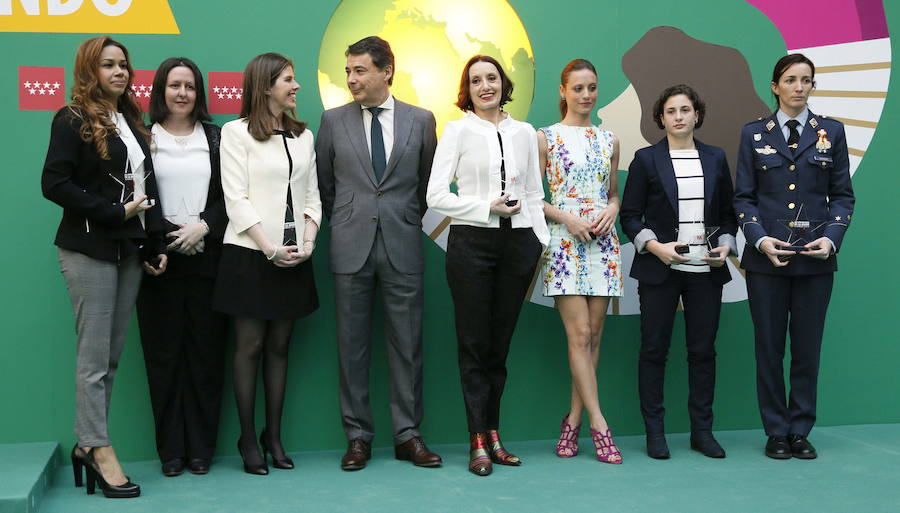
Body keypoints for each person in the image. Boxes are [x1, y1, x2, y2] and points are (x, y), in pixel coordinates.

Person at [41, 35, 166, 498]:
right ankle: (97, 447)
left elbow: (144, 189)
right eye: (108, 65)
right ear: (88, 71)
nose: (119, 73)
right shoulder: (70, 119)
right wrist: (113, 213)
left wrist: (152, 242)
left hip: (129, 252)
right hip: (88, 248)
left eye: (124, 65)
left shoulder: (130, 120)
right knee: (93, 360)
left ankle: (87, 445)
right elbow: (53, 182)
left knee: (110, 359)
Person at [316, 36, 441, 471]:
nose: (351, 79)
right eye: (347, 71)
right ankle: (358, 438)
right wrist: (350, 219)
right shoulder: (332, 121)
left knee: (407, 346)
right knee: (351, 348)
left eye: (359, 70)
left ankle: (409, 436)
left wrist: (402, 218)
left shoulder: (421, 121)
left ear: (386, 71)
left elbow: (428, 186)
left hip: (403, 245)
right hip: (349, 247)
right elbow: (324, 187)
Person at [427, 55, 549, 476]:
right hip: (471, 244)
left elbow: (534, 193)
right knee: (474, 345)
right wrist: (486, 207)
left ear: (503, 83)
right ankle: (476, 439)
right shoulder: (458, 131)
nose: (485, 86)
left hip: (518, 246)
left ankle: (495, 435)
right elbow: (436, 196)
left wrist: (539, 240)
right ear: (468, 88)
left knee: (500, 347)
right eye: (476, 80)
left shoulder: (524, 133)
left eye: (492, 78)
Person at [734, 54, 854, 460]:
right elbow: (743, 198)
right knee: (769, 349)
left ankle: (800, 429)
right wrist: (761, 240)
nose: (799, 87)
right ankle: (776, 431)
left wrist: (832, 239)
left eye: (806, 80)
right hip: (765, 261)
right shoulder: (754, 134)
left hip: (815, 260)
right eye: (791, 80)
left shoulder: (831, 133)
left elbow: (842, 196)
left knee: (807, 349)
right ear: (775, 86)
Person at [213, 52, 321, 475]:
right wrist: (268, 247)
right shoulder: (235, 133)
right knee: (250, 347)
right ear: (264, 86)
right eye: (288, 80)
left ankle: (272, 436)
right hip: (249, 254)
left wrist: (308, 242)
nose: (296, 87)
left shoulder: (304, 136)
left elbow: (312, 197)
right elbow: (235, 198)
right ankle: (246, 437)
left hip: (295, 255)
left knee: (280, 347)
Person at [620, 84, 737, 459]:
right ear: (661, 118)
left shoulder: (716, 158)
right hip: (660, 270)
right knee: (654, 350)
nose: (679, 116)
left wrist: (728, 244)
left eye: (685, 109)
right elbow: (629, 216)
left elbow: (729, 216)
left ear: (697, 115)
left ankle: (702, 432)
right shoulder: (646, 159)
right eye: (671, 111)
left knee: (703, 352)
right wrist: (655, 247)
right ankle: (655, 433)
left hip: (705, 270)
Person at [136, 57, 227, 477]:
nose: (182, 93)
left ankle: (201, 451)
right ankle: (171, 451)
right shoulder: (141, 137)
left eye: (189, 86)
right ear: (160, 90)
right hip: (160, 261)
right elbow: (138, 197)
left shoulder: (217, 137)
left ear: (199, 93)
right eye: (174, 85)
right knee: (164, 358)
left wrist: (203, 227)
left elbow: (233, 195)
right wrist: (167, 239)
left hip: (208, 259)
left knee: (206, 358)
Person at [537, 59, 623, 464]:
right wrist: (567, 217)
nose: (586, 95)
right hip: (564, 241)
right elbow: (533, 199)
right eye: (578, 88)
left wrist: (612, 209)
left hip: (604, 244)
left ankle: (571, 420)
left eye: (592, 87)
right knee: (579, 334)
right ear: (562, 90)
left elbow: (614, 193)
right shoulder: (545, 138)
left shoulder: (610, 139)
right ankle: (599, 424)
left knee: (594, 337)